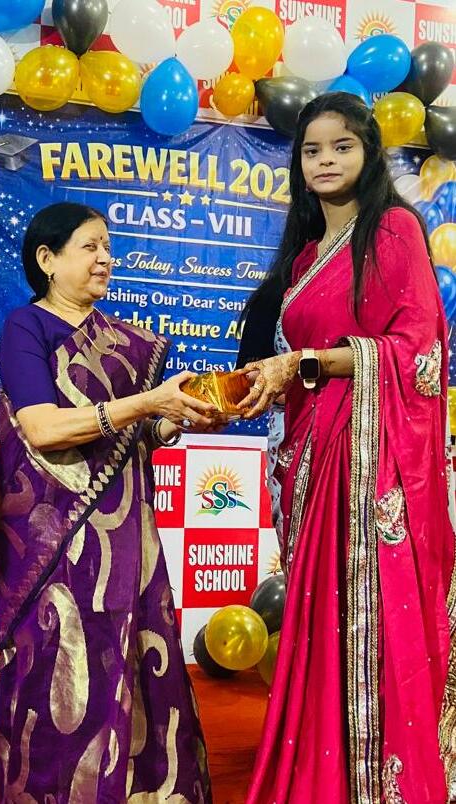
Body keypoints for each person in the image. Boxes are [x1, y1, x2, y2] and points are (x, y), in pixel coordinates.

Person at [239, 92, 456, 802]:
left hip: (370, 464)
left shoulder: (393, 229)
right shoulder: (305, 255)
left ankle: (375, 773)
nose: (325, 161)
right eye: (312, 150)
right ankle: (323, 764)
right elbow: (294, 357)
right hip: (311, 455)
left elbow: (416, 350)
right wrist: (269, 381)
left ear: (370, 154)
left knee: (374, 616)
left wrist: (308, 363)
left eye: (342, 147)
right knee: (319, 617)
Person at [0, 202, 216, 802]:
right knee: (57, 666)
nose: (105, 259)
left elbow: (139, 431)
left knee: (133, 654)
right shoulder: (27, 327)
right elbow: (42, 428)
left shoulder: (125, 343)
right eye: (90, 246)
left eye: (108, 247)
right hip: (53, 533)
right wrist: (145, 405)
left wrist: (179, 417)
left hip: (124, 533)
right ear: (47, 259)